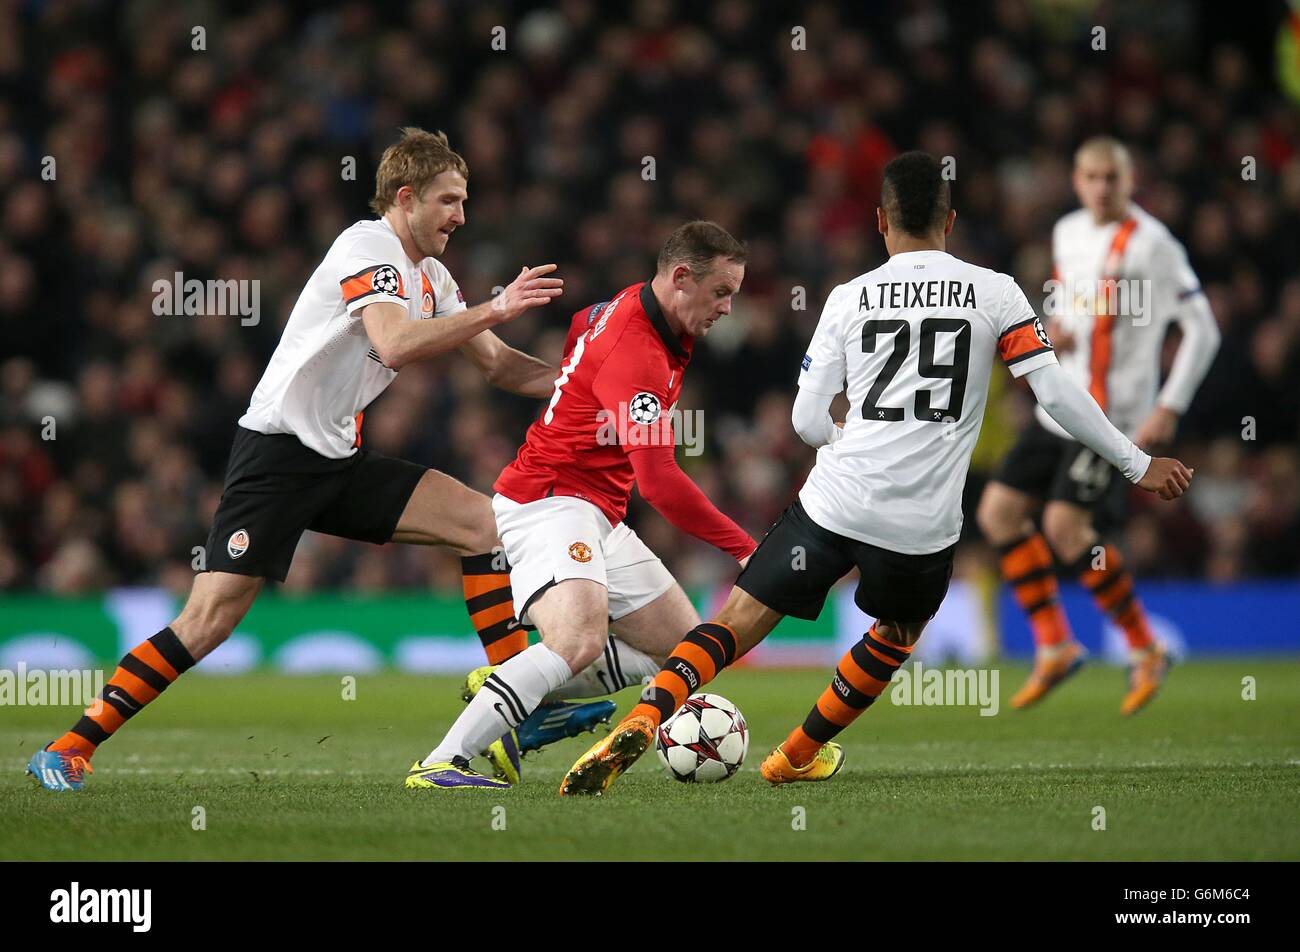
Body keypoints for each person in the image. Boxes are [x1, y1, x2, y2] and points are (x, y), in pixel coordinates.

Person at [559, 151, 1193, 796]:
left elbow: (807, 418)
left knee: (738, 621)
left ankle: (645, 716)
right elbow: (1055, 395)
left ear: (880, 223)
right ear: (950, 220)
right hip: (920, 525)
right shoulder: (996, 291)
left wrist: (847, 443)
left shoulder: (847, 297)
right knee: (896, 633)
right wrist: (1136, 463)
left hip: (835, 500)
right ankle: (795, 755)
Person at [26, 127, 593, 793]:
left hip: (337, 458)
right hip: (276, 458)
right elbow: (394, 343)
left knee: (484, 526)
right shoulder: (368, 246)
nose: (461, 217)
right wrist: (496, 306)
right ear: (405, 198)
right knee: (209, 621)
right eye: (449, 201)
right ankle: (69, 747)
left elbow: (497, 366)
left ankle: (511, 706)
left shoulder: (432, 275)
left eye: (464, 202)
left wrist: (582, 384)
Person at [405, 221, 759, 790]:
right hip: (550, 499)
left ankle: (521, 685)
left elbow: (580, 324)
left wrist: (578, 383)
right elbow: (661, 483)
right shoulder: (637, 351)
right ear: (681, 278)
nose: (728, 307)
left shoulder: (632, 311)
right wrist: (746, 549)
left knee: (686, 650)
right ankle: (443, 761)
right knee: (576, 641)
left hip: (597, 511)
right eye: (722, 292)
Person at [976, 137, 1219, 714]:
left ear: (1130, 180)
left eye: (1112, 177)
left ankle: (1144, 647)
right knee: (998, 514)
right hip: (1059, 404)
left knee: (1065, 527)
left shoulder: (1154, 244)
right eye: (1091, 176)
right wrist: (1056, 328)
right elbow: (1070, 304)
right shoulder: (1066, 231)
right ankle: (1055, 644)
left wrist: (1171, 405)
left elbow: (1203, 327)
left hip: (1113, 417)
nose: (1102, 187)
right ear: (1076, 180)